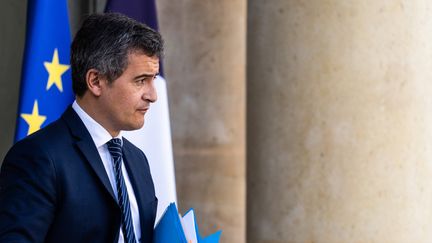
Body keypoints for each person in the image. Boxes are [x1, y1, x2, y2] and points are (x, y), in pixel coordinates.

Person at [0, 13, 163, 243]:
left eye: (154, 78)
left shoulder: (138, 160)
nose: (153, 95)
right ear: (95, 81)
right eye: (140, 80)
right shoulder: (38, 157)